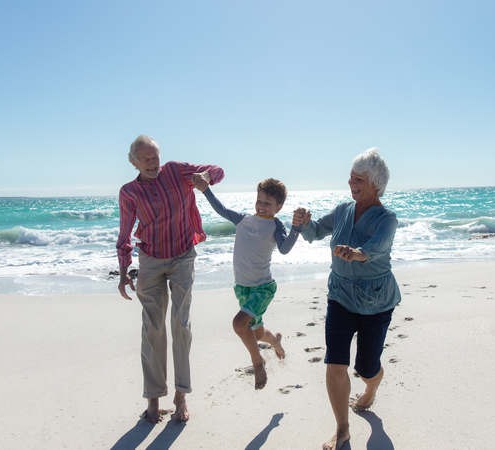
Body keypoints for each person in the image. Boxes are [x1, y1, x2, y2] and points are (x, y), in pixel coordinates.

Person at [295, 148, 401, 450]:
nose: (351, 182)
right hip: (340, 297)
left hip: (375, 303)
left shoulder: (387, 218)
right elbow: (316, 232)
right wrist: (304, 223)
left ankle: (373, 384)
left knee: (366, 368)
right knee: (335, 363)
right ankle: (342, 429)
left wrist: (357, 254)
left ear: (375, 184)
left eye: (358, 179)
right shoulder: (342, 209)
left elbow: (376, 247)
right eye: (351, 177)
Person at [116, 134, 224, 424]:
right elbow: (125, 235)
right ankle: (153, 398)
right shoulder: (128, 192)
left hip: (182, 256)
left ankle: (181, 395)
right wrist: (124, 270)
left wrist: (205, 178)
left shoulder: (176, 171)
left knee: (181, 323)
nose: (152, 163)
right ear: (133, 161)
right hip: (150, 261)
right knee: (152, 327)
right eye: (146, 159)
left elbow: (218, 170)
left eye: (155, 158)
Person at [194, 177, 304, 389]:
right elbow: (221, 209)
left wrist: (296, 229)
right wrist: (206, 190)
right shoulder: (243, 219)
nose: (261, 206)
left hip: (263, 287)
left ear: (279, 207)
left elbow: (284, 248)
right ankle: (275, 342)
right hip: (242, 287)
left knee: (238, 324)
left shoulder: (275, 225)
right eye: (259, 201)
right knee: (256, 333)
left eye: (267, 203)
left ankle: (258, 362)